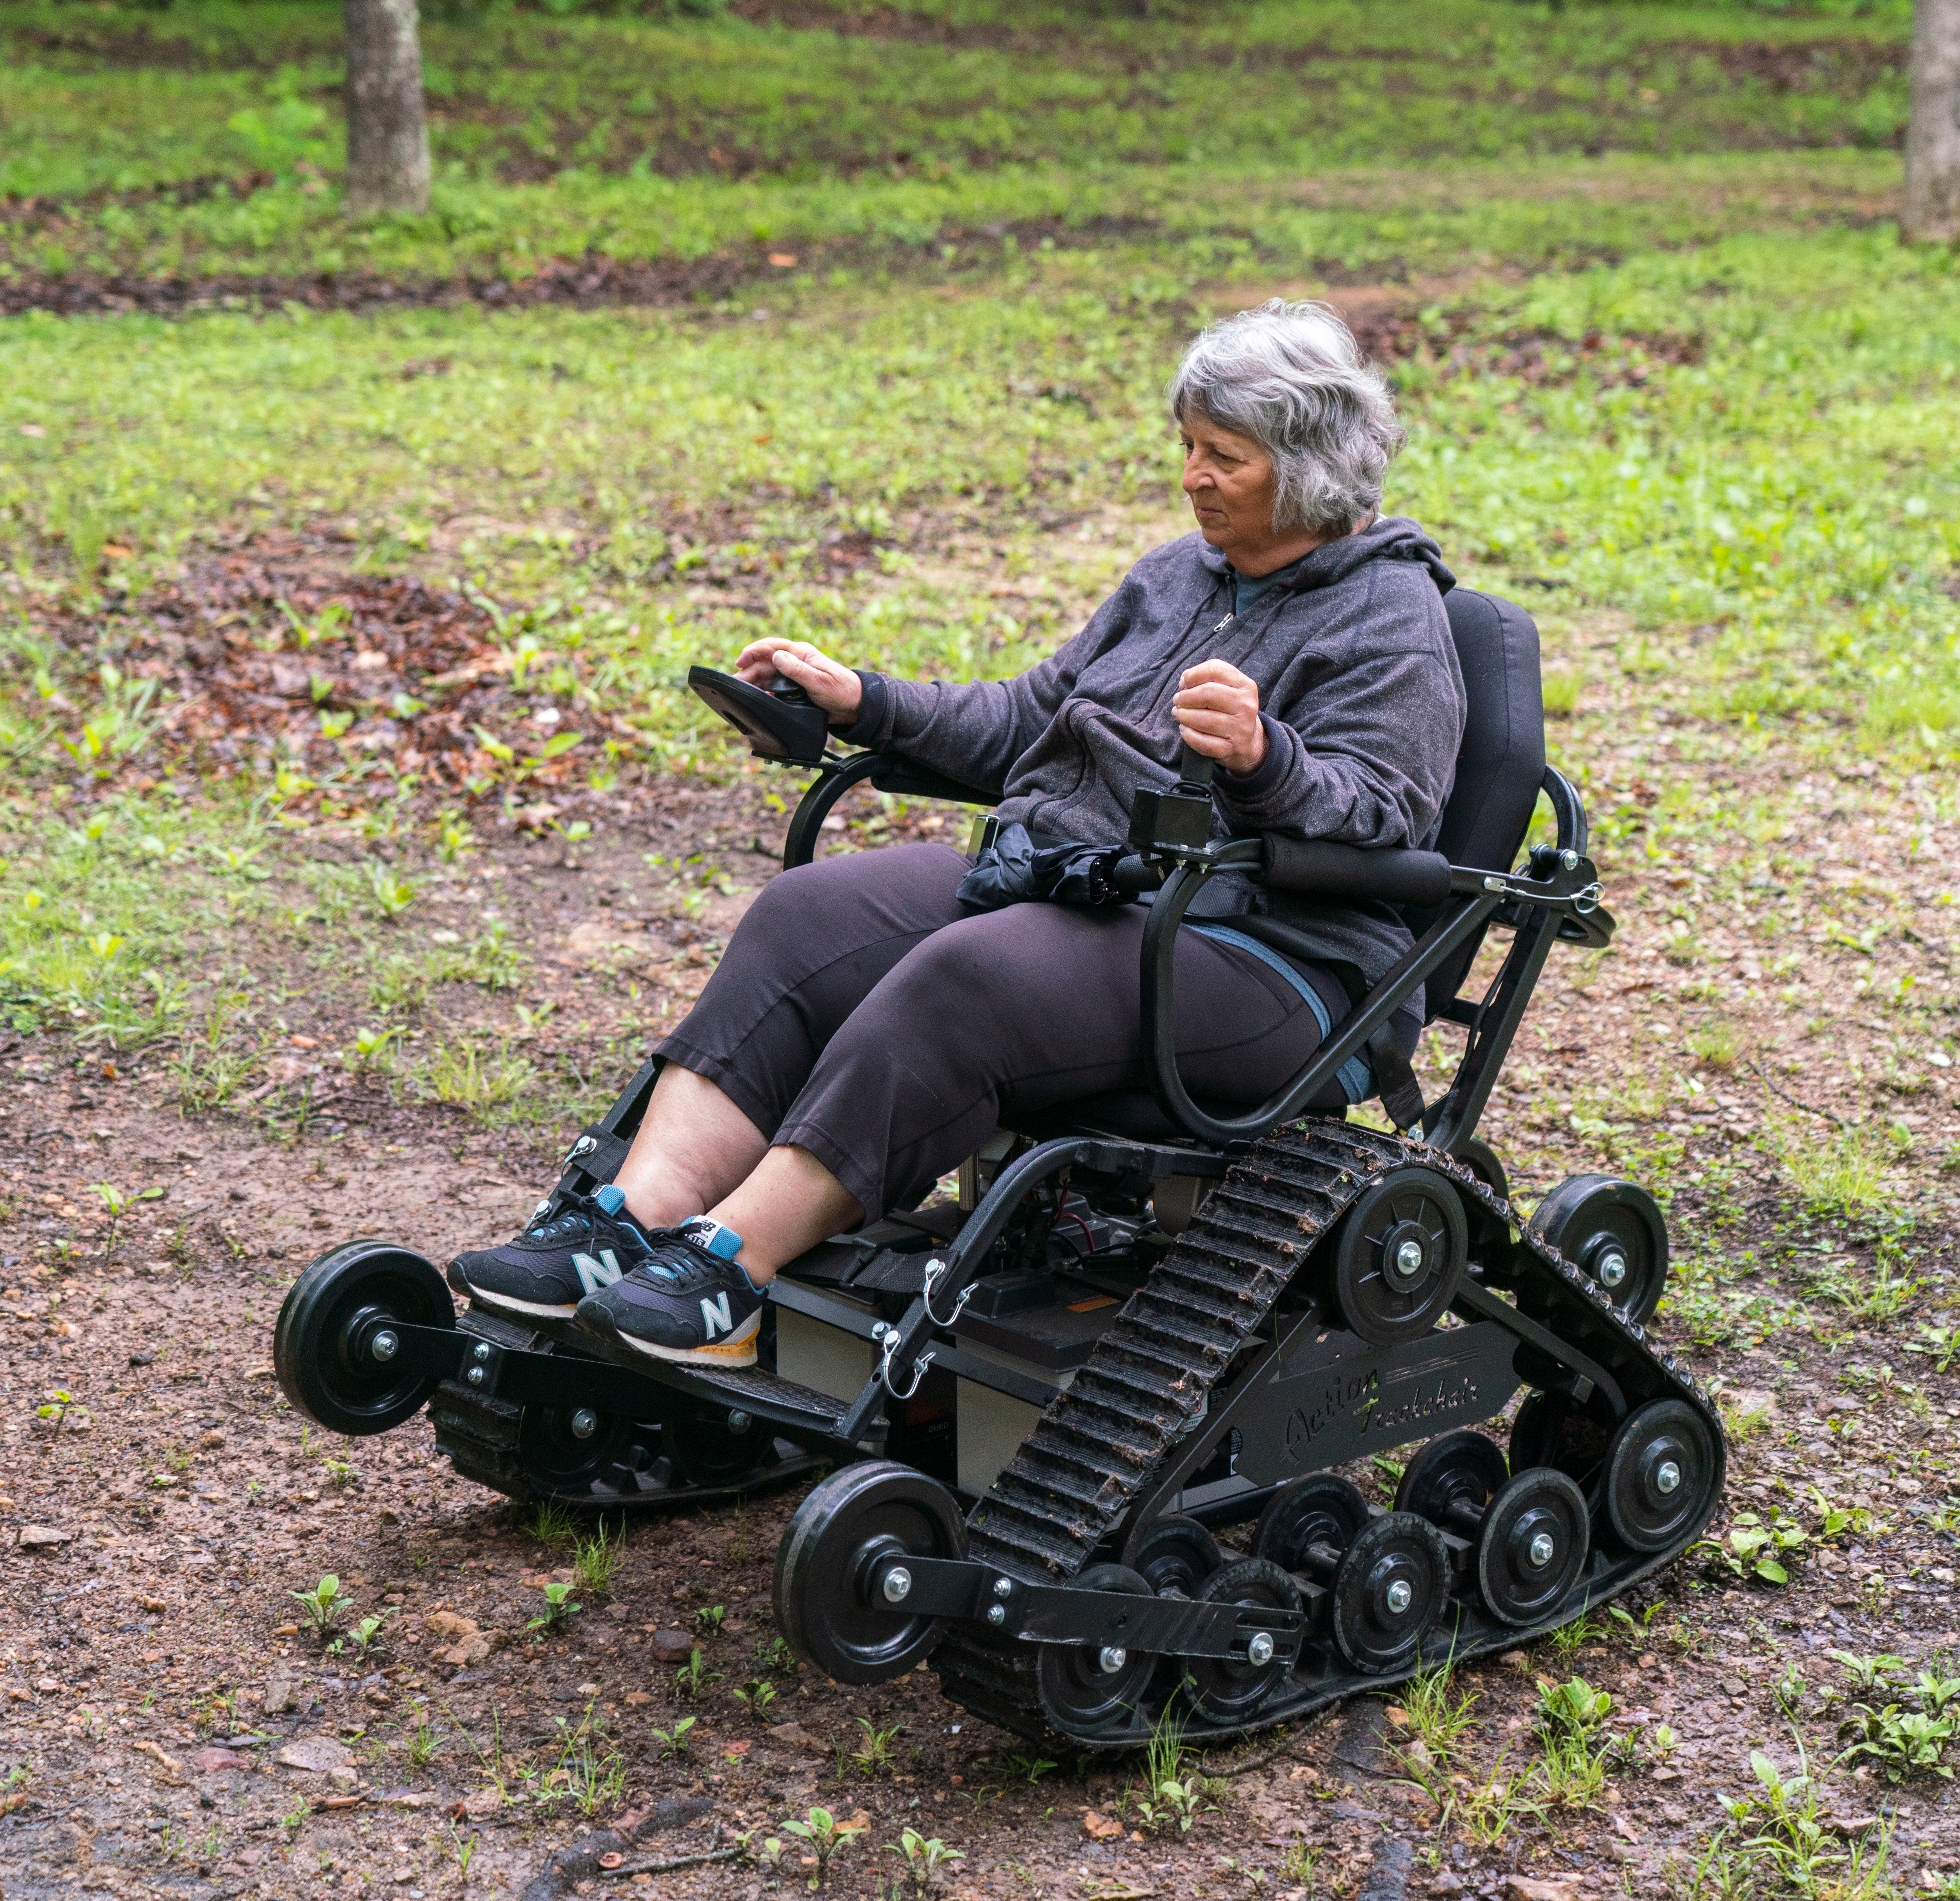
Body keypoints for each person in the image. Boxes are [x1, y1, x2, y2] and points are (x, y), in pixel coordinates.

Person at [449, 299, 1467, 1367]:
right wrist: (863, 701)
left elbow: (1390, 816)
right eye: (1189, 449)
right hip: (1087, 890)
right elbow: (1034, 718)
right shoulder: (1179, 576)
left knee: (969, 974)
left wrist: (1268, 763)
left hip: (1271, 957)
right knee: (808, 916)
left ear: (1306, 467)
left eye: (1226, 457)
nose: (1193, 478)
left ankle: (733, 1273)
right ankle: (633, 1221)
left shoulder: (1394, 615)